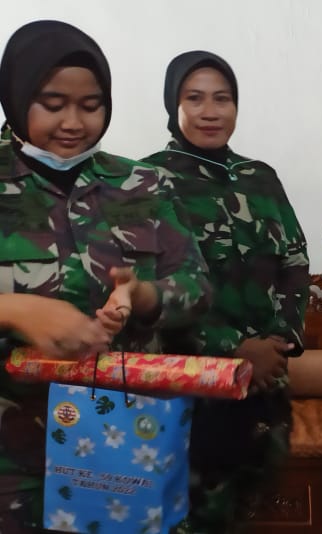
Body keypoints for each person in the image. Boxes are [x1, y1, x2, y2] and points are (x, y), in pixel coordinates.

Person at [0, 20, 210, 532]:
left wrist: (144, 296)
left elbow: (197, 287)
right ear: (16, 97)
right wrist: (14, 309)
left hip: (126, 444)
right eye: (53, 104)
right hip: (12, 456)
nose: (73, 122)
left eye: (91, 105)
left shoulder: (144, 184)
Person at [140, 50, 310, 533]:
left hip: (265, 386)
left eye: (223, 98)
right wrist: (233, 350)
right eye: (194, 99)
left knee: (247, 510)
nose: (211, 111)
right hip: (190, 390)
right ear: (173, 105)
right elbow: (153, 286)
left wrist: (280, 342)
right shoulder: (147, 181)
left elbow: (295, 261)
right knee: (190, 518)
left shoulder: (260, 178)